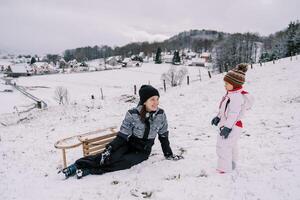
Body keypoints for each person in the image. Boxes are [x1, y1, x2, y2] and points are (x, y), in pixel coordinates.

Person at [60, 85, 183, 179]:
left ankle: (89, 171)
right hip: (128, 144)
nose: (156, 102)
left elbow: (163, 136)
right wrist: (110, 148)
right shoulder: (132, 114)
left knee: (123, 163)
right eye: (152, 99)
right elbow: (123, 135)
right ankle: (76, 166)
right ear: (144, 101)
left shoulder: (161, 115)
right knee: (108, 157)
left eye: (157, 99)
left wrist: (168, 154)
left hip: (142, 151)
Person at [211, 64, 254, 173]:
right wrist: (218, 117)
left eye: (227, 83)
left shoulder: (236, 97)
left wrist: (227, 128)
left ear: (234, 84)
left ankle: (224, 168)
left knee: (223, 146)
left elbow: (233, 114)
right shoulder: (230, 94)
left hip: (232, 126)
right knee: (231, 145)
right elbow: (225, 109)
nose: (224, 85)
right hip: (228, 125)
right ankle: (232, 163)